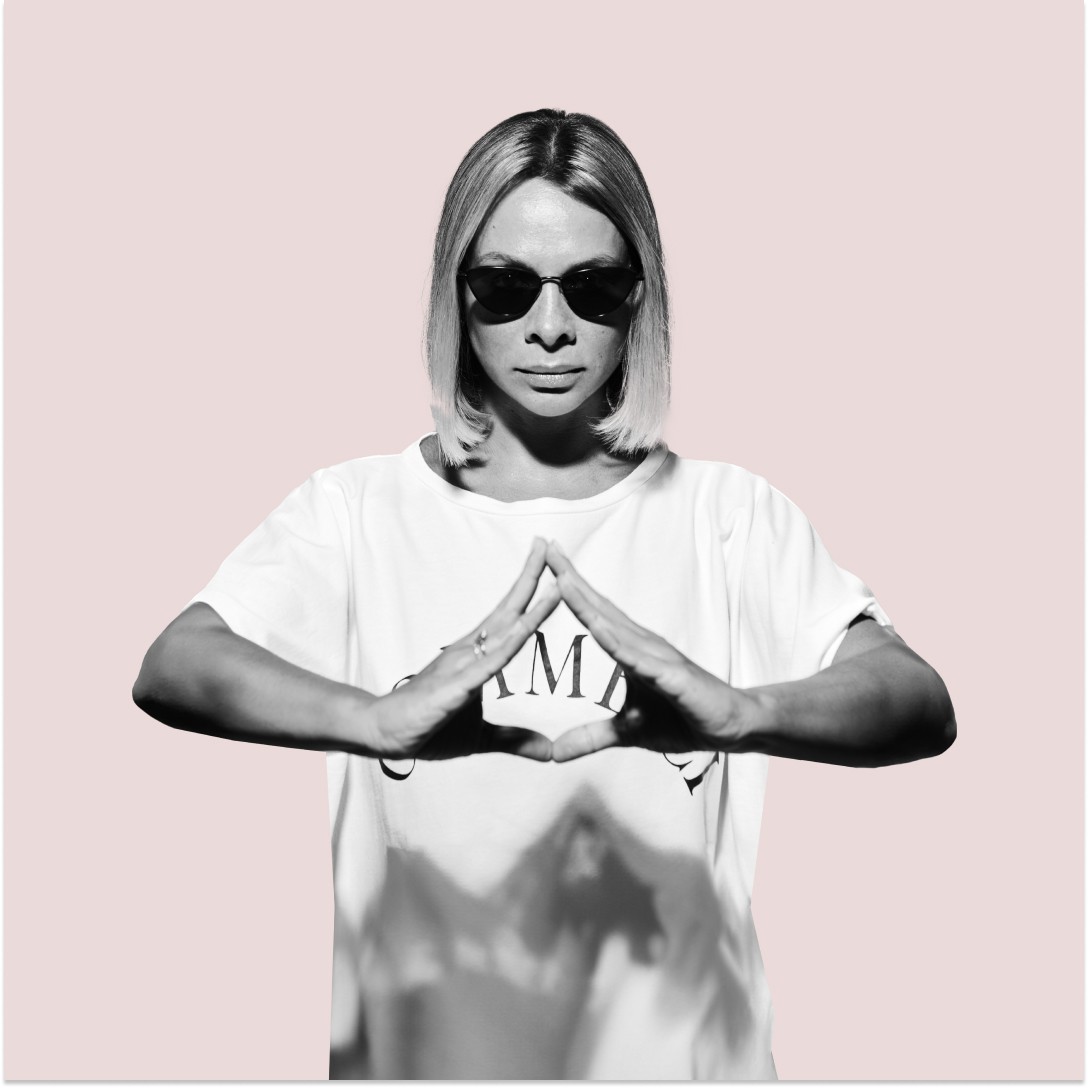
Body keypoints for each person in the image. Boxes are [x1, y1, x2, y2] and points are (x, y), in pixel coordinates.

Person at [133, 108, 955, 1080]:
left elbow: (917, 699)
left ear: (639, 296)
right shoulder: (358, 510)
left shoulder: (724, 514)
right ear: (457, 295)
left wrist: (744, 713)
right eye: (506, 287)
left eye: (592, 287)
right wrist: (375, 719)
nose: (551, 327)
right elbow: (176, 663)